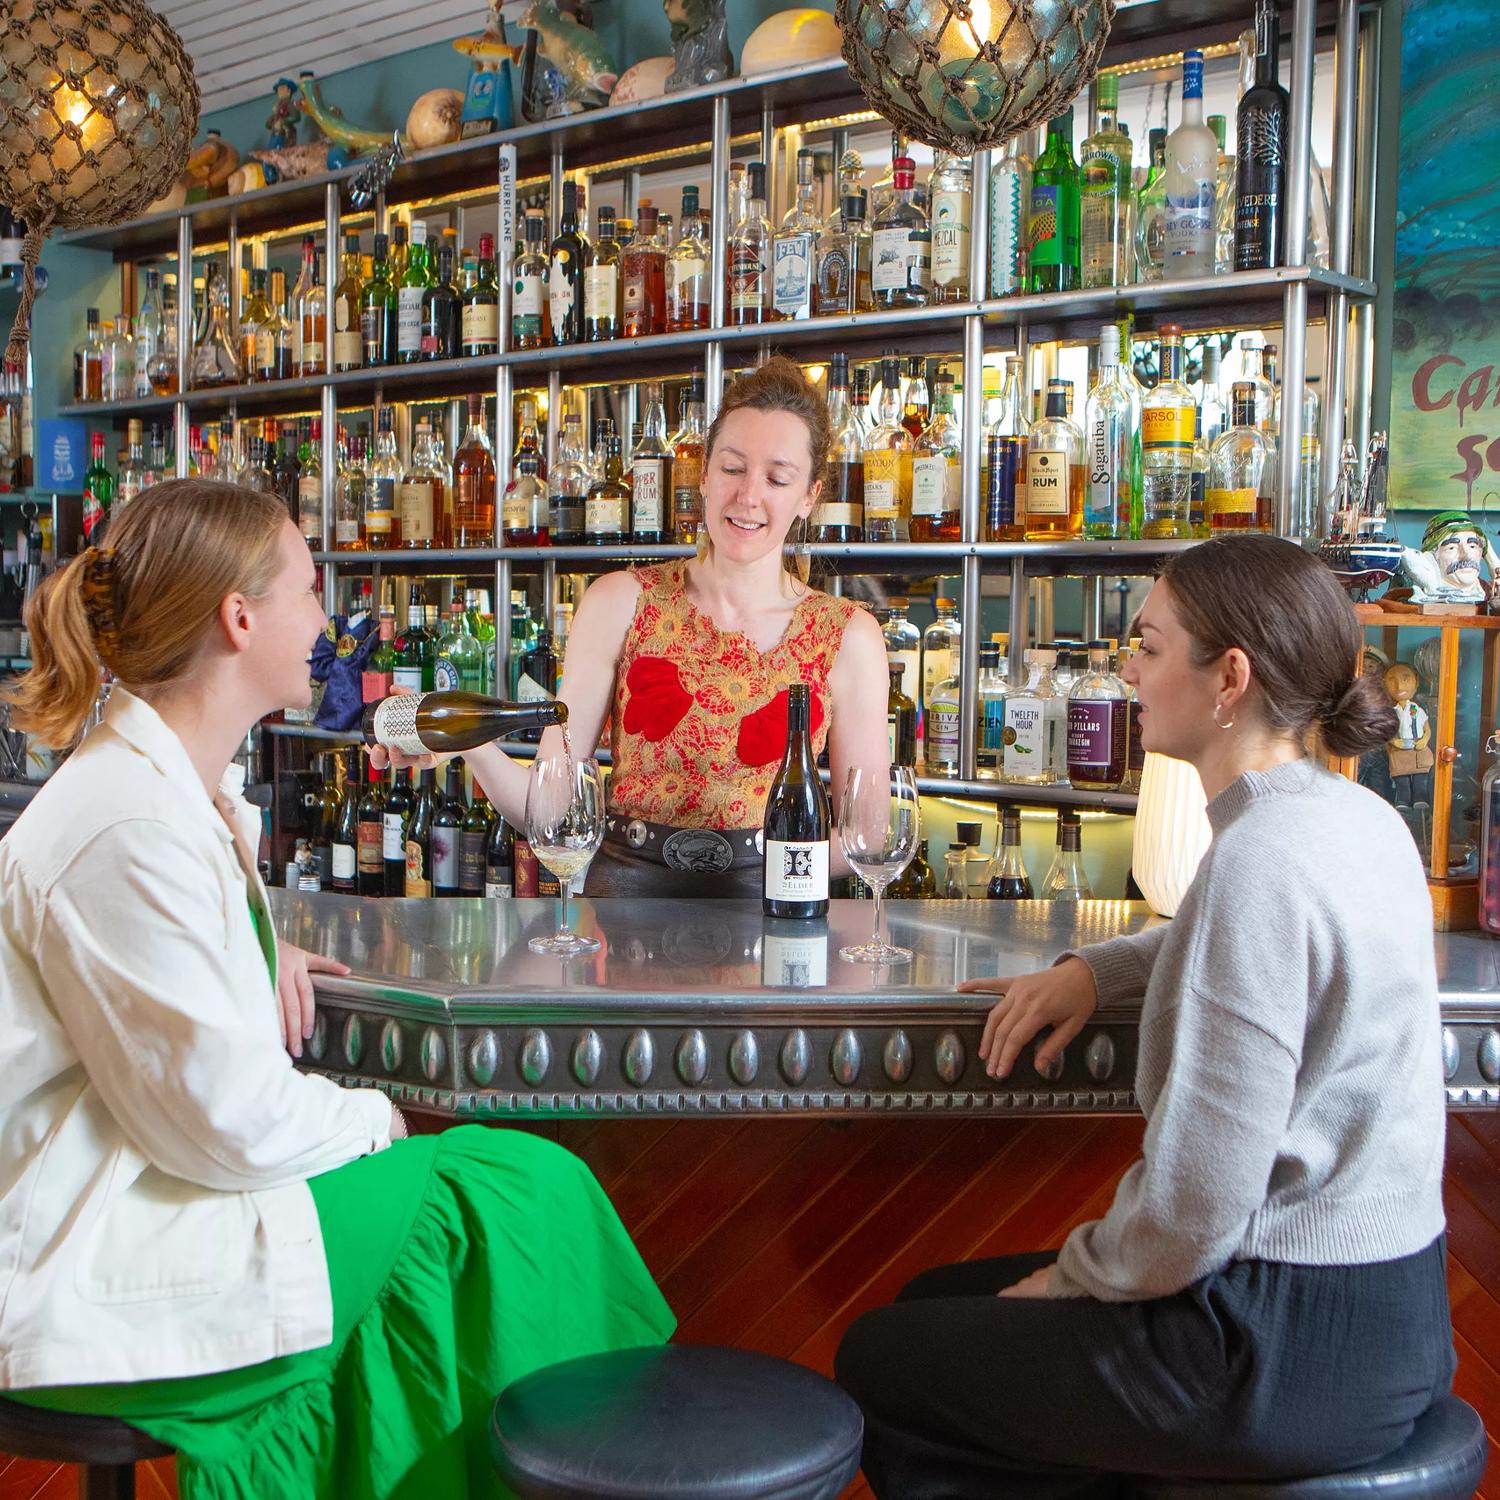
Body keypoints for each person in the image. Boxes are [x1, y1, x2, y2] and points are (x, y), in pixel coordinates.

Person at [0, 480, 673, 1497]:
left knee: (513, 1193)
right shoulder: (127, 823)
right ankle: (608, 1470)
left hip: (154, 1189)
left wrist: (248, 951)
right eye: (311, 592)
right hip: (94, 1252)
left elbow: (158, 999)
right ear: (239, 618)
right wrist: (380, 1119)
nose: (329, 625)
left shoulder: (157, 792)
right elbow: (228, 1120)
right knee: (504, 1195)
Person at [835, 535, 1454, 1499]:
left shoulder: (1260, 862)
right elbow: (1246, 946)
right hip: (1396, 1321)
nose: (1126, 668)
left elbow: (1196, 1207)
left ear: (1230, 679)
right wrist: (1098, 971)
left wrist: (1073, 1280)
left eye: (1150, 646)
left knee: (882, 1353)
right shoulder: (1359, 821)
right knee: (937, 1307)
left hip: (1268, 1347)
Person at [379, 356, 890, 896]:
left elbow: (869, 831)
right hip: (625, 921)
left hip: (777, 915)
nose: (748, 496)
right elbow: (551, 809)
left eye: (777, 478)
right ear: (704, 473)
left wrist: (771, 877)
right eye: (732, 468)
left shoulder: (847, 635)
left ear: (810, 495)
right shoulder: (620, 602)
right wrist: (466, 743)